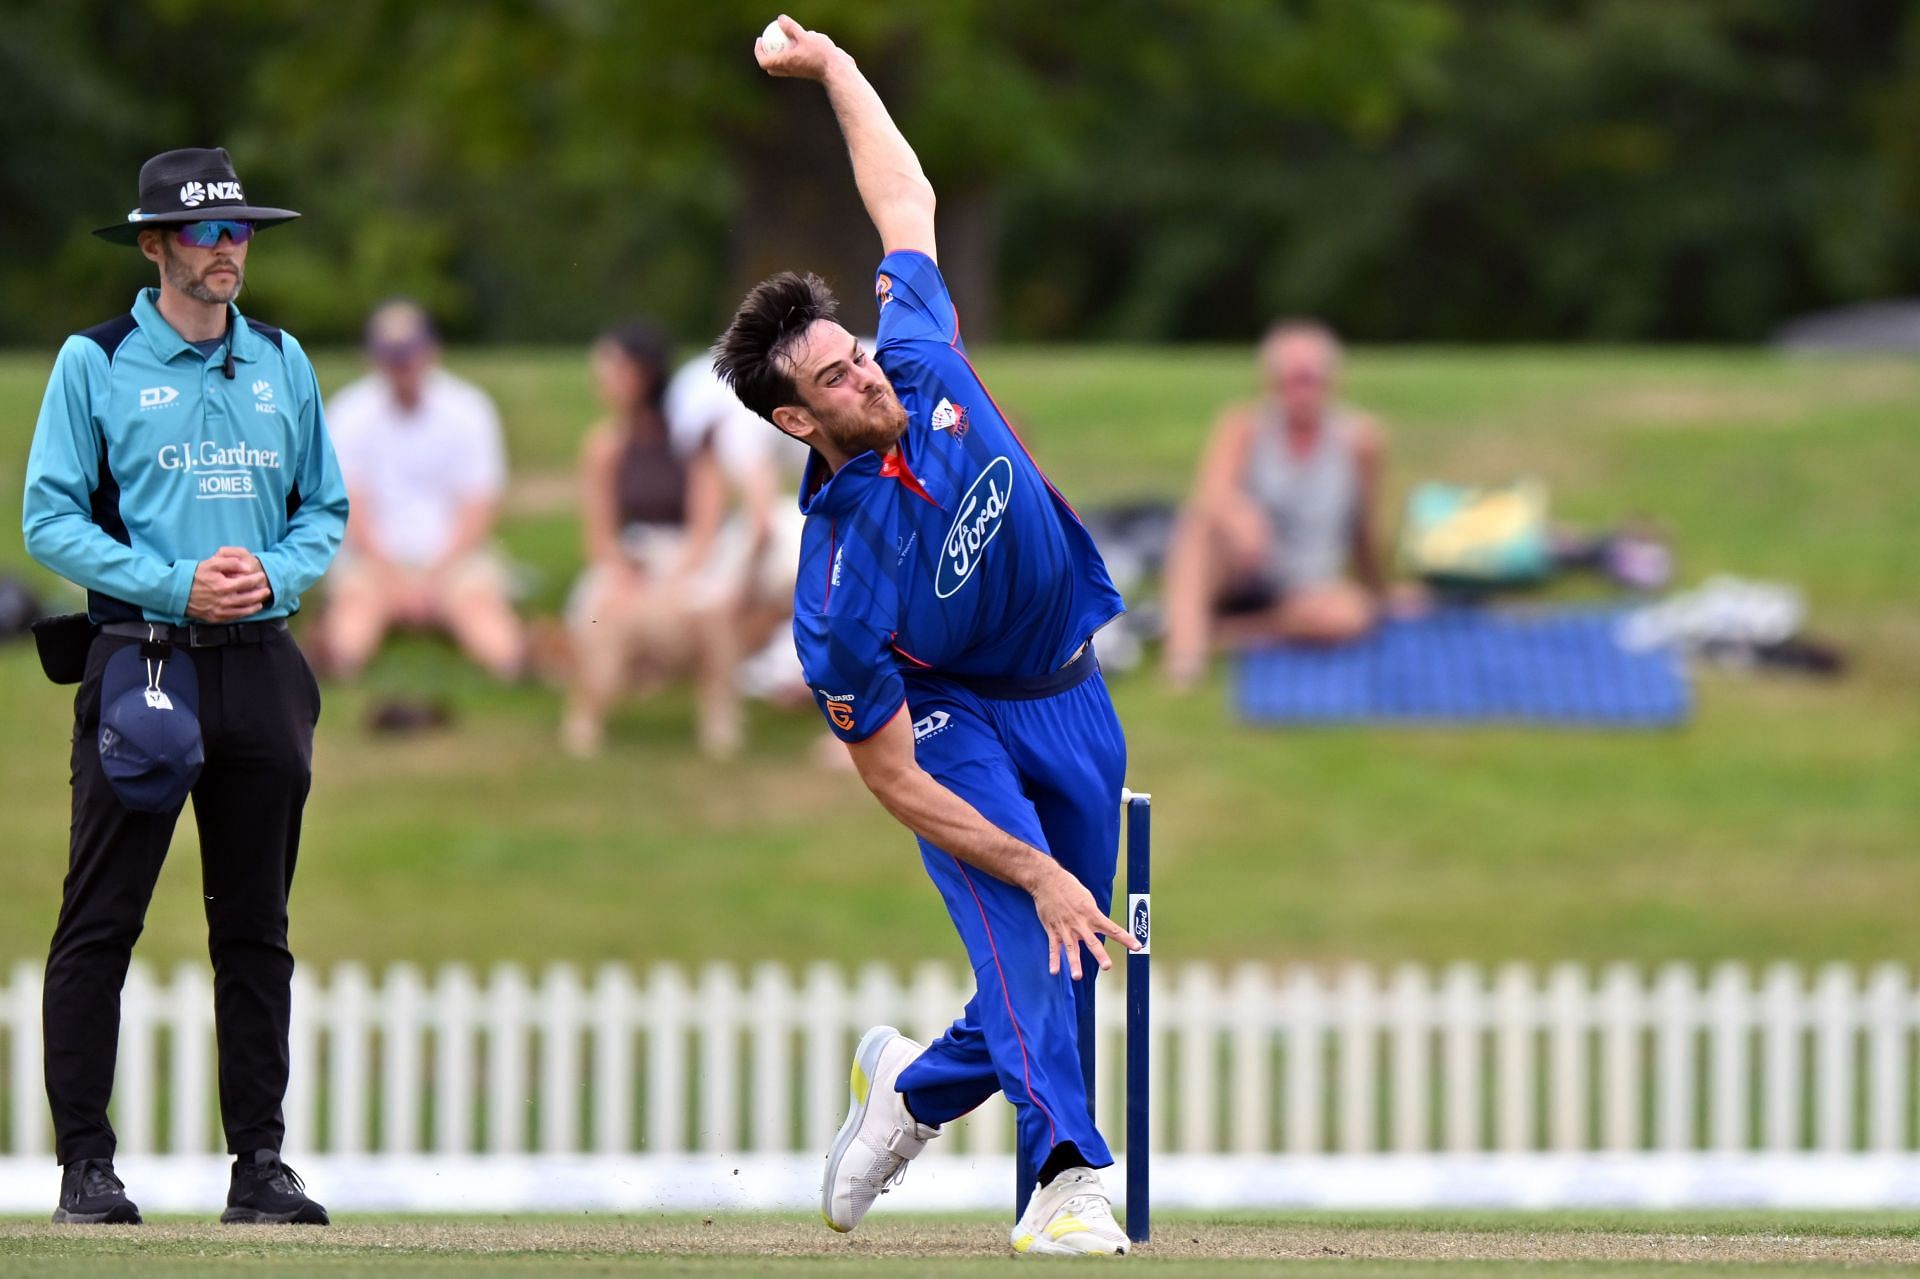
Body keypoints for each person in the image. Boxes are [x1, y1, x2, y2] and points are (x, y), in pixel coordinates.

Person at [715, 19, 1139, 1257]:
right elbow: (892, 777)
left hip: (1069, 685)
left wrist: (836, 67)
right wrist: (1029, 864)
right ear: (797, 421)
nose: (868, 377)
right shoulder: (839, 585)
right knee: (1026, 919)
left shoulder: (918, 351)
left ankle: (908, 1092)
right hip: (947, 716)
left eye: (857, 353)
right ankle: (1065, 1182)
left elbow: (904, 194)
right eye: (837, 381)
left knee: (1062, 961)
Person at [20, 147, 343, 1225]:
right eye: (206, 233)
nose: (227, 250)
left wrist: (277, 571)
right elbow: (48, 517)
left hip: (260, 663)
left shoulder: (283, 360)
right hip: (139, 662)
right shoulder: (97, 360)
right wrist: (171, 581)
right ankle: (84, 1166)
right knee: (101, 918)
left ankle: (259, 1164)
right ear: (156, 244)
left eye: (240, 231)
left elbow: (323, 510)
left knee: (257, 923)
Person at [1161, 319, 1388, 688]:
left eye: (1308, 379)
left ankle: (1230, 634)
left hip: (1306, 583)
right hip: (1248, 563)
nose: (1300, 391)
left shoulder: (1360, 440)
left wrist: (1382, 593)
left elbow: (1365, 527)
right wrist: (1241, 517)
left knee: (1352, 615)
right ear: (1271, 383)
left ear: (1331, 382)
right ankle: (1186, 652)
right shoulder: (1244, 426)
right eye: (1290, 380)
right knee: (1197, 526)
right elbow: (1211, 492)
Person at [316, 299, 525, 681]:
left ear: (431, 351)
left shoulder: (469, 409)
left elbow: (478, 505)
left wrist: (434, 575)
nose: (402, 366)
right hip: (373, 557)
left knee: (484, 618)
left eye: (409, 354)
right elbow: (351, 506)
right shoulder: (349, 411)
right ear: (374, 357)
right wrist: (392, 574)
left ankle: (515, 666)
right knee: (353, 618)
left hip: (454, 555)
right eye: (392, 356)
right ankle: (337, 664)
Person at [560, 322, 737, 758]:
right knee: (603, 610)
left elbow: (706, 526)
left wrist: (676, 576)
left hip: (688, 556)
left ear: (642, 373)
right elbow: (599, 534)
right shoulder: (604, 447)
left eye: (613, 369)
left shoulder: (693, 441)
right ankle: (586, 717)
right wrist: (621, 573)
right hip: (635, 554)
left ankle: (720, 719)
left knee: (709, 607)